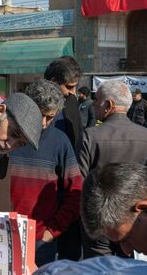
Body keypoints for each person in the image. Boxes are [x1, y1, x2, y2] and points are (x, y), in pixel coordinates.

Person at [78, 80, 147, 258]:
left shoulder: (90, 136)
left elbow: (80, 181)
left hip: (99, 218)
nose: (94, 106)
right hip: (134, 219)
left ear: (108, 105)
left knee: (98, 267)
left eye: (97, 101)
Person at [9, 80, 83, 266]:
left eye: (49, 118)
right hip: (2, 235)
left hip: (41, 242)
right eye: (39, 115)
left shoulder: (59, 141)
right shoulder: (5, 136)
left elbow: (76, 193)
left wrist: (51, 232)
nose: (43, 123)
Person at [43, 56, 84, 261]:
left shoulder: (71, 103)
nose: (72, 92)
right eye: (68, 87)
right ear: (52, 81)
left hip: (67, 183)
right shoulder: (34, 106)